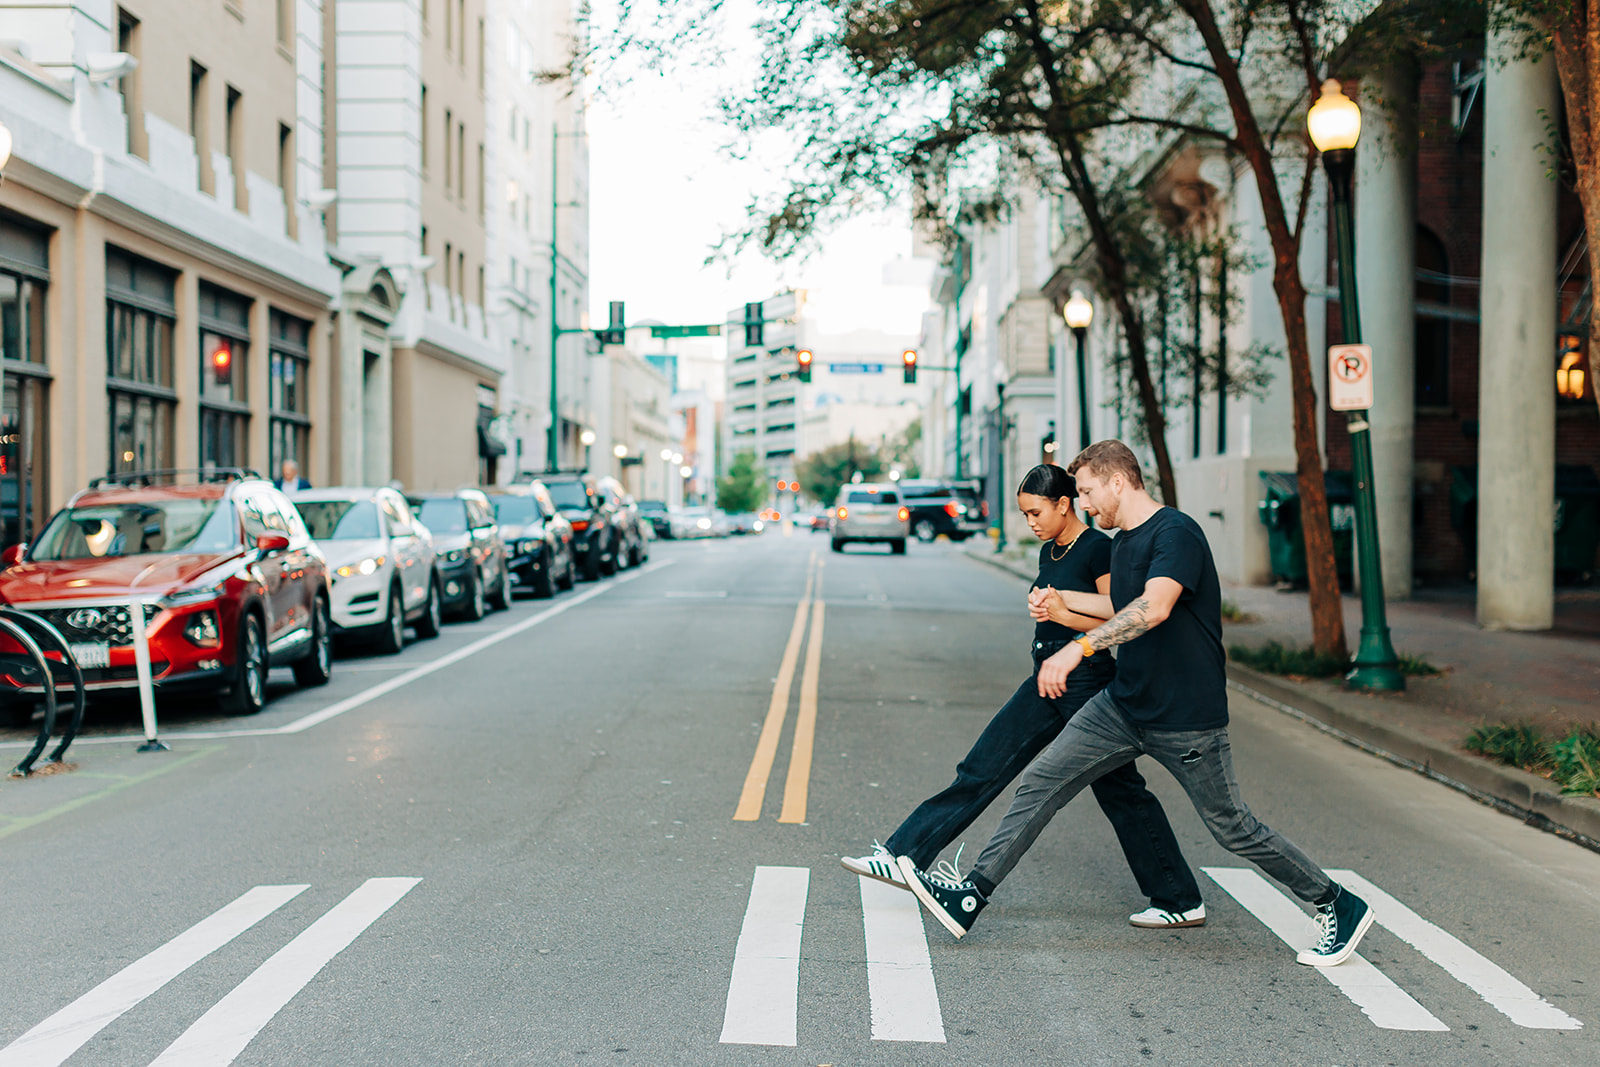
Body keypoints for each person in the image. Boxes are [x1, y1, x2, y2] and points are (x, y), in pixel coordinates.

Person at [897, 441, 1374, 968]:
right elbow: (1118, 609)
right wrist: (1059, 603)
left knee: (1233, 827)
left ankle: (1336, 903)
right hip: (1122, 707)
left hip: (1186, 717)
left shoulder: (1176, 533)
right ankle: (971, 895)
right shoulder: (1121, 543)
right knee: (1042, 781)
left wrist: (1077, 650)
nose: (1084, 504)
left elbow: (1154, 607)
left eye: (1086, 492)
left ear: (1117, 482)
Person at [842, 464, 1205, 929]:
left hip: (1085, 679)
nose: (1030, 522)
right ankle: (902, 854)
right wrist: (1045, 610)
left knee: (1122, 793)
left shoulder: (1099, 549)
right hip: (1044, 677)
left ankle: (1178, 897)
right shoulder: (1051, 550)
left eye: (1036, 512)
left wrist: (1060, 612)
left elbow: (1116, 618)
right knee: (980, 769)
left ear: (1063, 504)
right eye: (1024, 514)